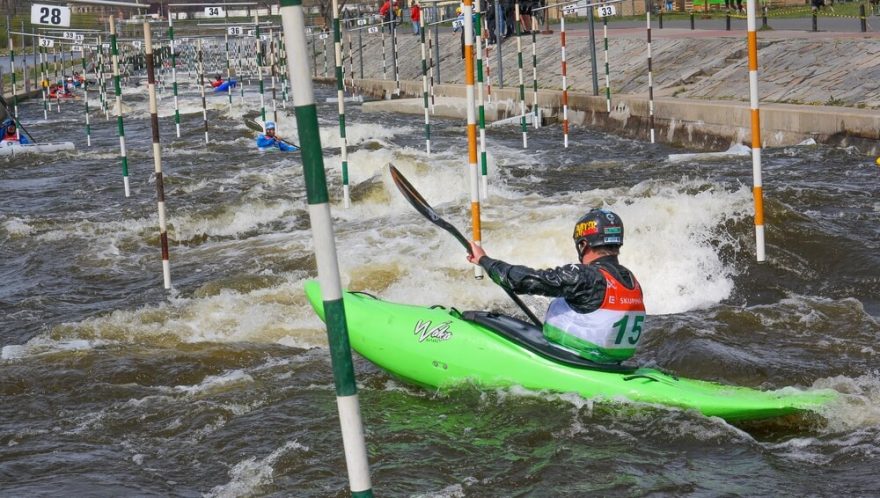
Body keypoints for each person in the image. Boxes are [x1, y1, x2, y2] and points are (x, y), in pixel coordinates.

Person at [466, 209, 646, 364]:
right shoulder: (631, 280)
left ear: (583, 245)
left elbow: (524, 281)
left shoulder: (585, 275)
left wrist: (484, 260)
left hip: (573, 360)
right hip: (611, 363)